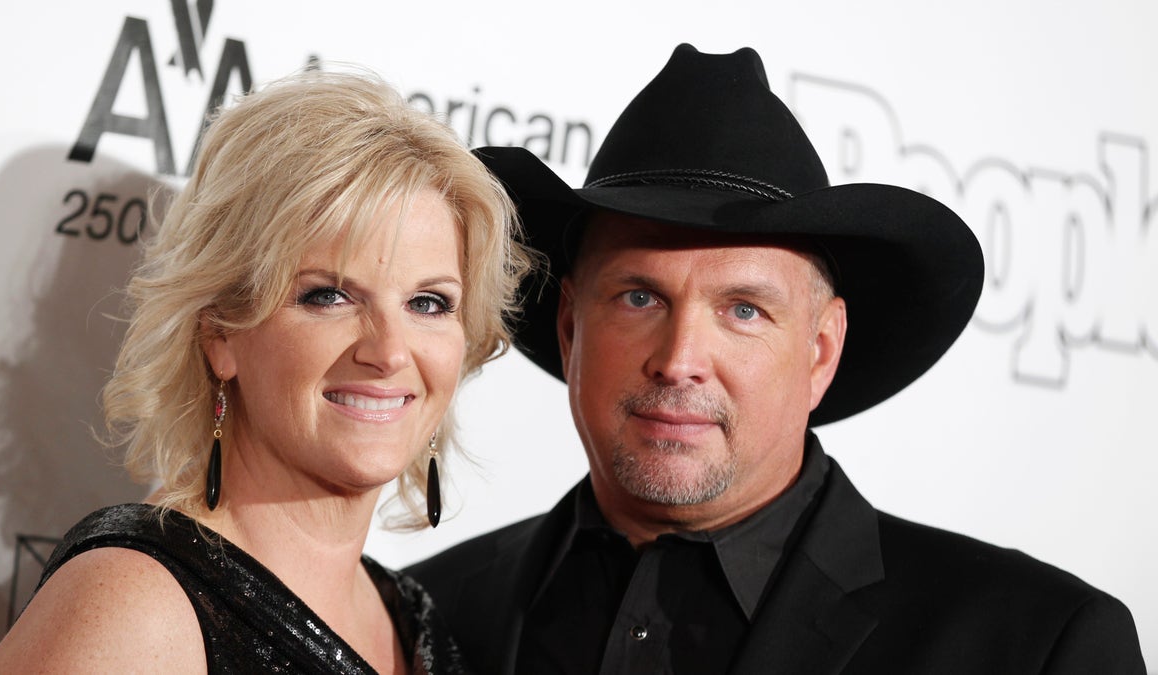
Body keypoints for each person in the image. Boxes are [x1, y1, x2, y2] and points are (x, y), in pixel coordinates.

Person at [406, 44, 1147, 674]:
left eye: (744, 310)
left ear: (820, 351)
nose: (680, 359)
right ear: (570, 326)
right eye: (640, 298)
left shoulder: (1035, 646)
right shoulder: (414, 624)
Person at [0, 68, 529, 673]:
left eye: (429, 303)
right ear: (220, 333)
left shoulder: (417, 620)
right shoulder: (136, 607)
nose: (390, 352)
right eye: (330, 296)